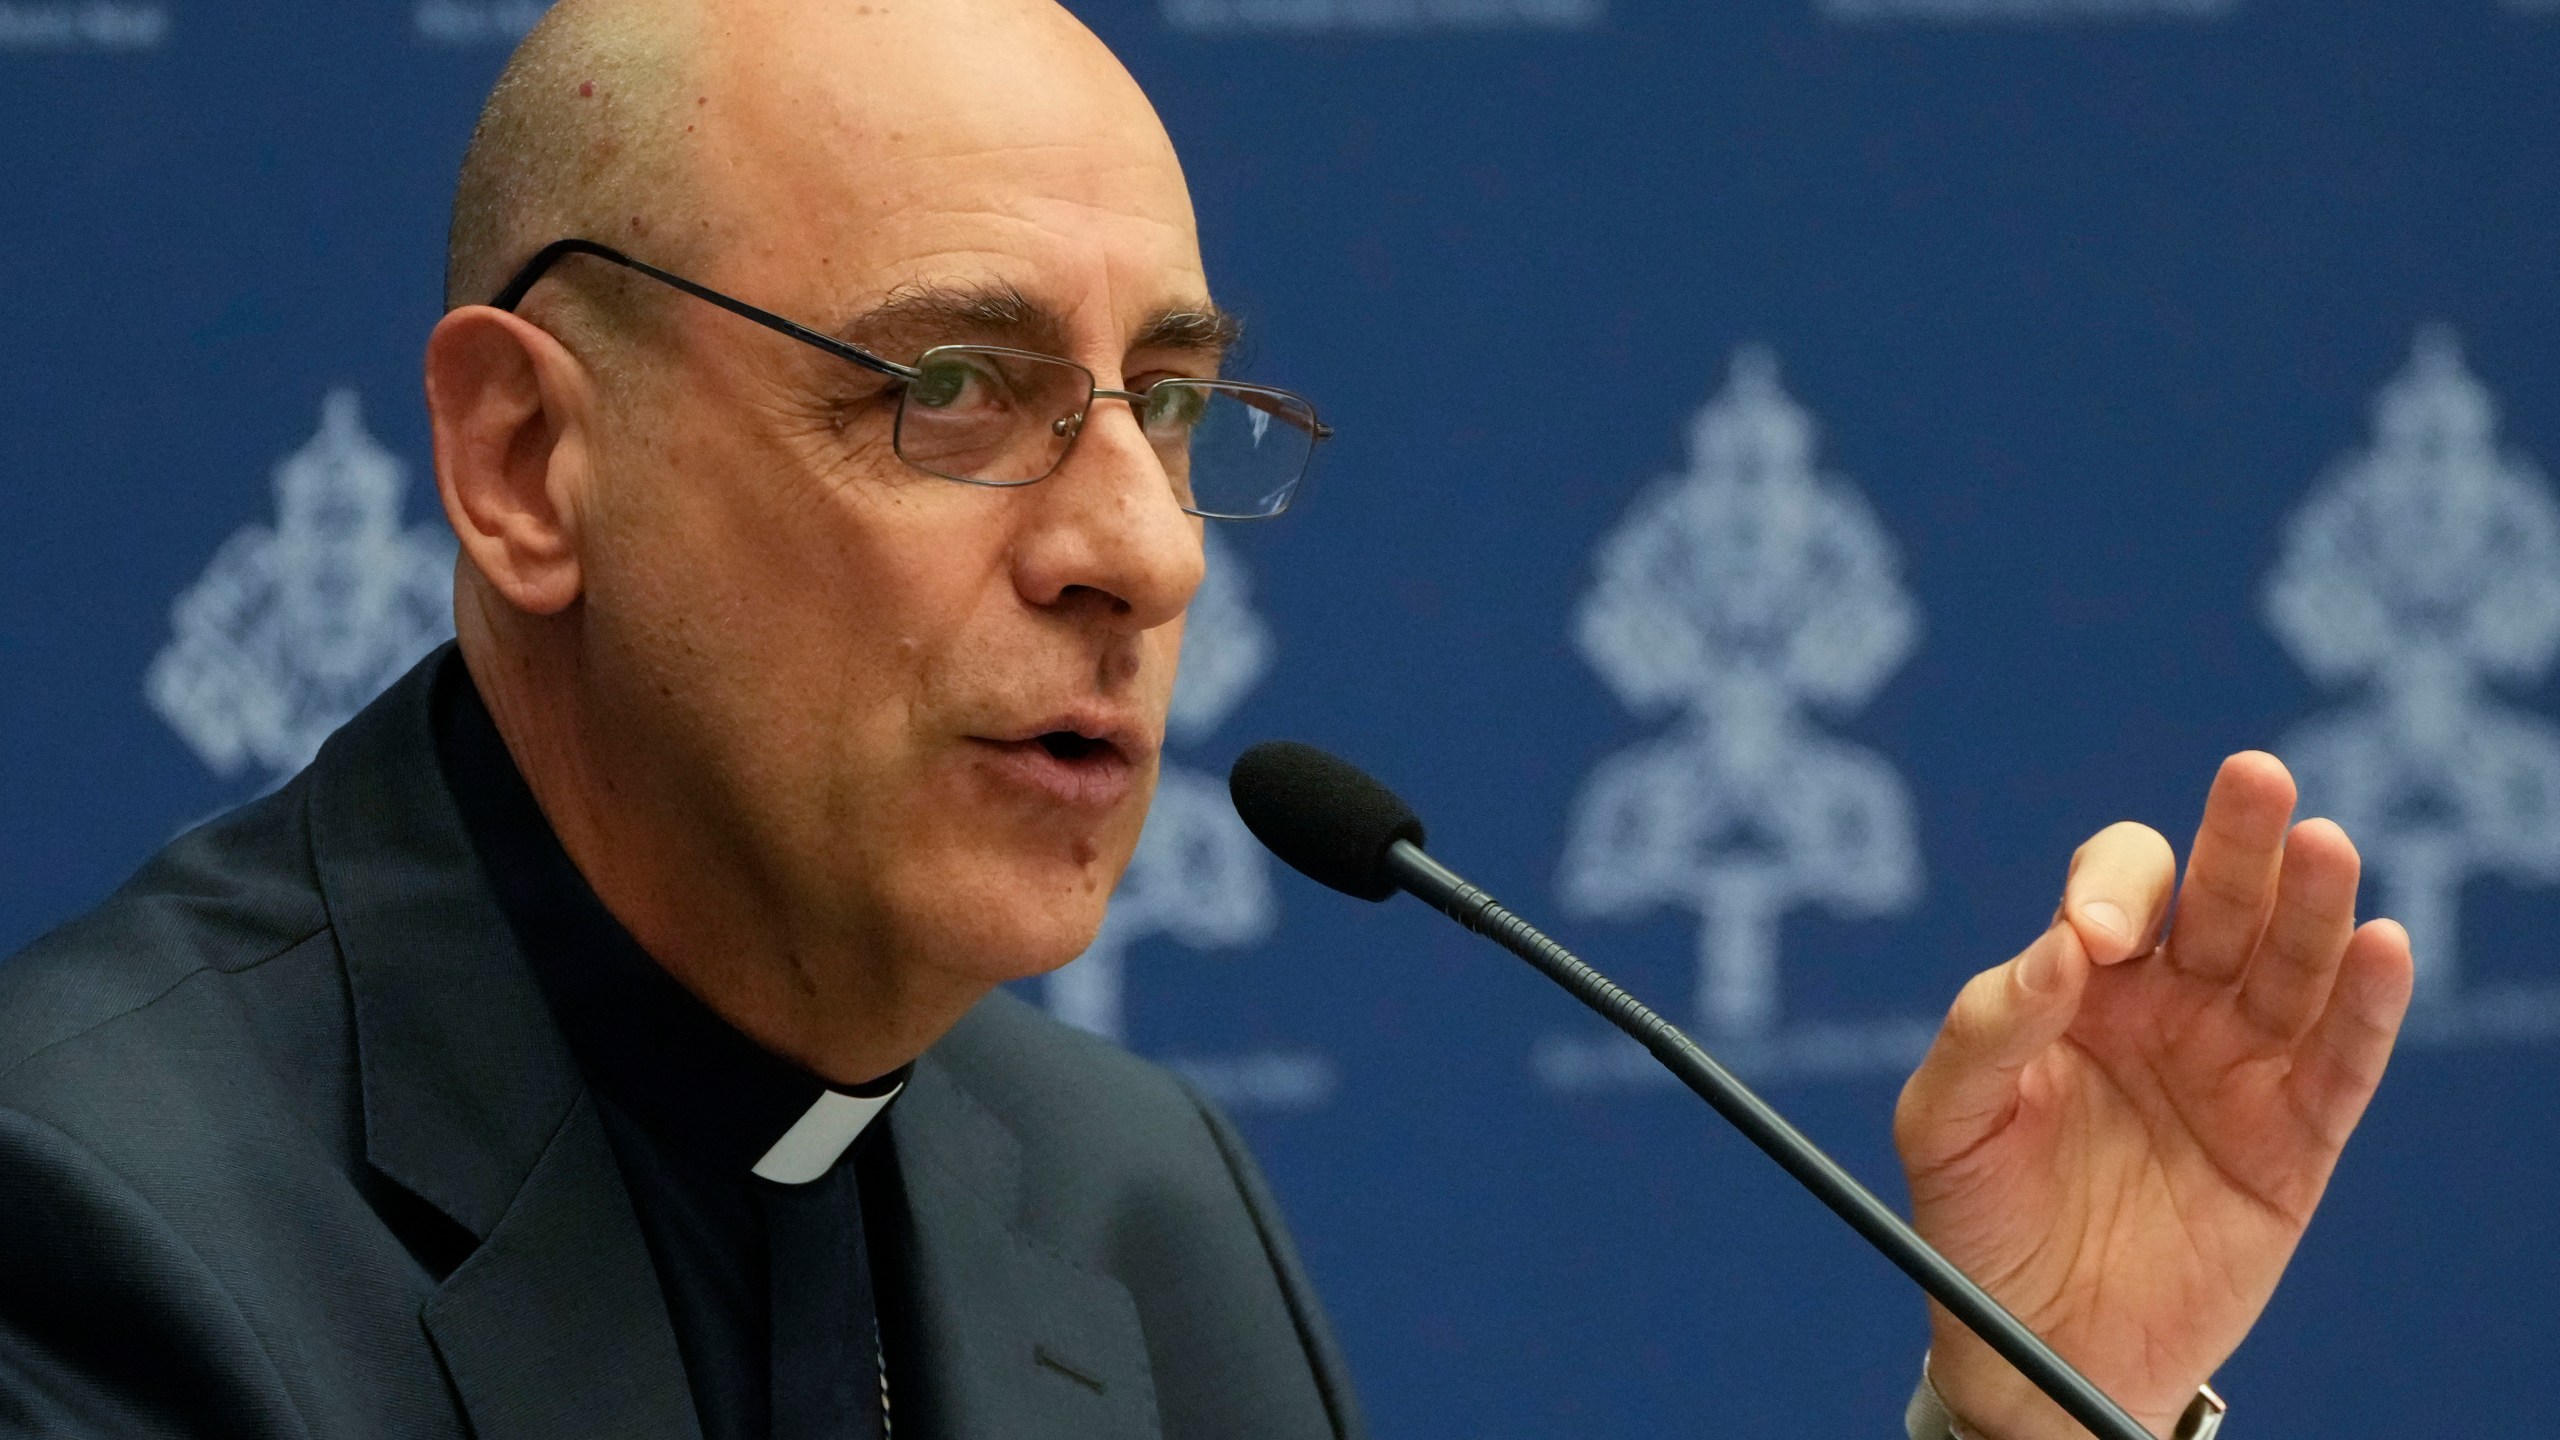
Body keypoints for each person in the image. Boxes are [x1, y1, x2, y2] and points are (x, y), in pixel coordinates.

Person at [0, 0, 2413, 1436]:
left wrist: (2023, 1416)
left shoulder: (1137, 1207)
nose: (1141, 551)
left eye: (1164, 403)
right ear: (532, 465)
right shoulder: (96, 1234)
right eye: (951, 388)